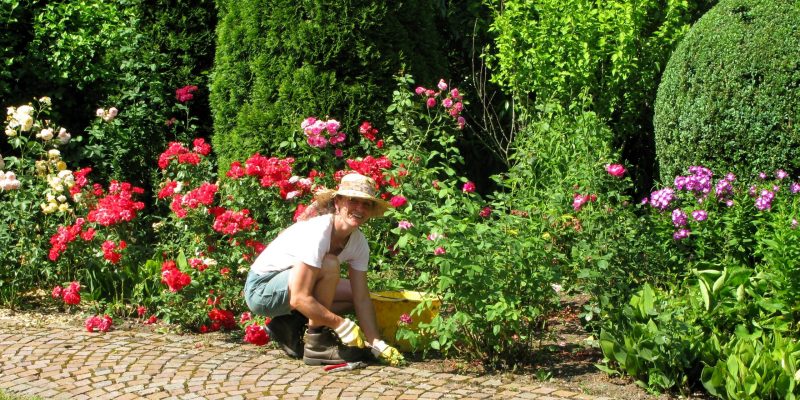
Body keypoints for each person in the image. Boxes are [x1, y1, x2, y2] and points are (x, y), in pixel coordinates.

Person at [244, 173, 404, 366]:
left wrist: (377, 343)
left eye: (366, 204)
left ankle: (288, 324)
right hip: (261, 290)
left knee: (355, 293)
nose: (360, 208)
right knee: (329, 265)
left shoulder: (359, 243)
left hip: (291, 286)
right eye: (353, 200)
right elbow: (299, 297)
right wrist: (341, 325)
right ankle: (316, 344)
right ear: (338, 202)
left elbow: (361, 298)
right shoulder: (318, 232)